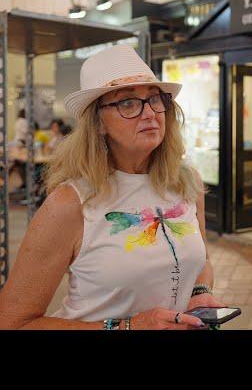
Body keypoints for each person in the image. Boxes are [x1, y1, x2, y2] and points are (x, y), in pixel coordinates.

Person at [0, 44, 222, 330]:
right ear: (99, 123)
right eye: (128, 103)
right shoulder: (72, 203)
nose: (149, 113)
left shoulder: (185, 182)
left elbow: (200, 259)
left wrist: (200, 294)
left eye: (155, 99)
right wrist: (127, 328)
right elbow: (12, 321)